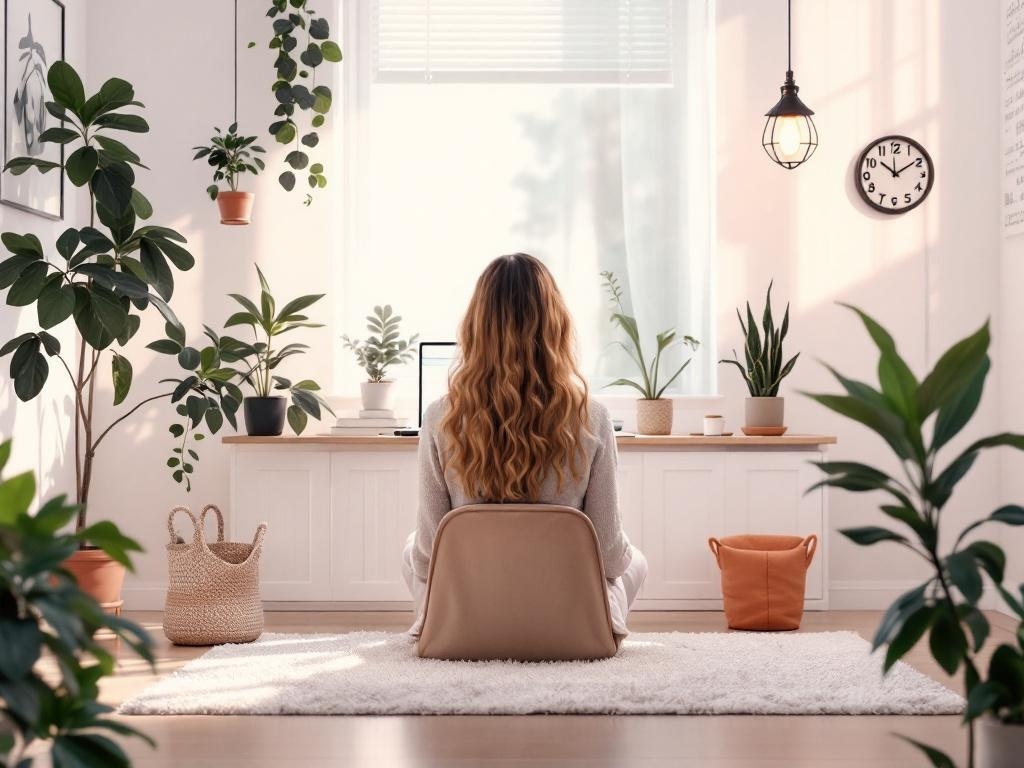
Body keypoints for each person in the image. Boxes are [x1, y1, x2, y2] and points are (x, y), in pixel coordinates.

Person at [401, 252, 647, 638]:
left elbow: (427, 556)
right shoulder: (592, 417)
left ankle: (450, 630)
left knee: (410, 550)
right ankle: (587, 629)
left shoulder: (438, 417)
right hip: (564, 617)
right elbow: (612, 559)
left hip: (472, 613)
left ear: (475, 327)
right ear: (556, 326)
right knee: (637, 561)